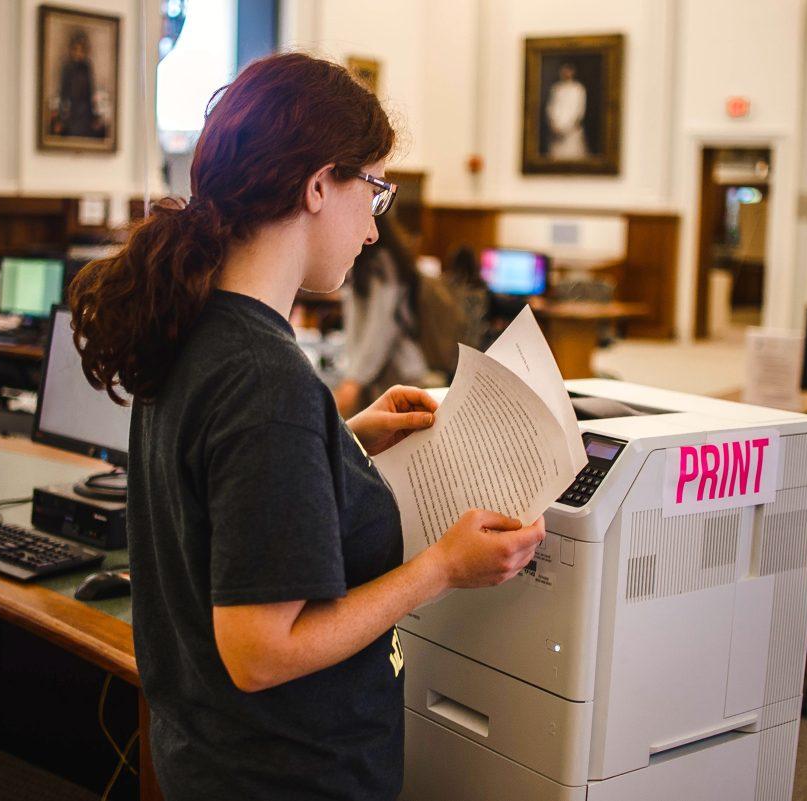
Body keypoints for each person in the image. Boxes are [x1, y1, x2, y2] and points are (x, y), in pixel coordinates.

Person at [68, 52, 544, 801]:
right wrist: (440, 569)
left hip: (211, 756)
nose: (374, 230)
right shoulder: (265, 379)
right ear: (320, 184)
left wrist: (341, 440)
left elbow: (220, 491)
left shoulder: (196, 329)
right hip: (288, 774)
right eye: (374, 190)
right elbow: (260, 650)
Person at [333, 215, 429, 417]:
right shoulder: (367, 262)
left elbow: (381, 327)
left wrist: (355, 379)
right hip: (376, 373)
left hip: (394, 373)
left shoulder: (382, 263)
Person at [54, 29, 104, 138]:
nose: (78, 53)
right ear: (71, 50)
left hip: (85, 112)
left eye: (82, 50)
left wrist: (94, 115)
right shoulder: (67, 68)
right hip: (71, 112)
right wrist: (61, 118)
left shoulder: (87, 67)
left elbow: (91, 92)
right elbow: (63, 93)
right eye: (76, 49)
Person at [547, 62, 588, 160]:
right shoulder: (556, 88)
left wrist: (571, 125)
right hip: (557, 126)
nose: (566, 74)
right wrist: (553, 123)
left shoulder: (578, 89)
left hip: (572, 128)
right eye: (564, 71)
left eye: (568, 71)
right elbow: (551, 106)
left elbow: (580, 108)